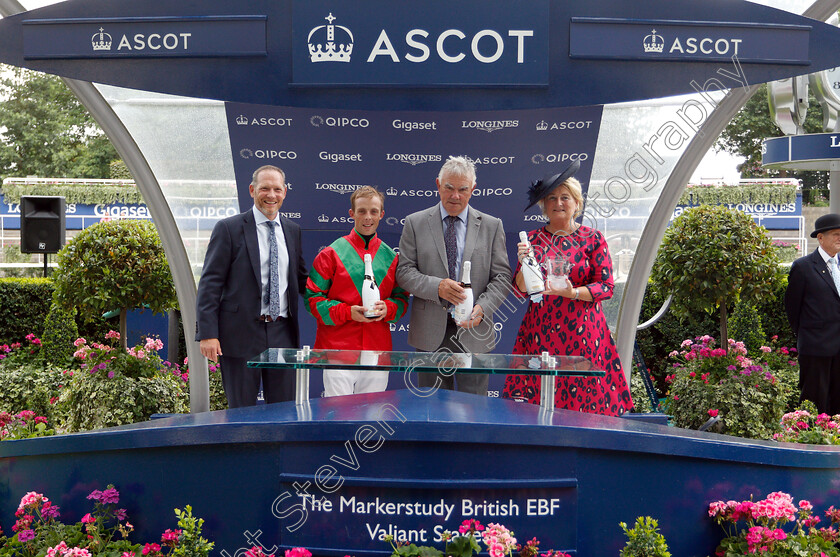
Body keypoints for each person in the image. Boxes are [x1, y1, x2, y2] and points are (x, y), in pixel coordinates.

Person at [501, 160, 633, 416]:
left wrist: (572, 293)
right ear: (544, 206)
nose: (558, 203)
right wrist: (524, 262)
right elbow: (519, 290)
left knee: (586, 401)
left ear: (576, 203)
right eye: (551, 198)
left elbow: (605, 287)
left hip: (584, 333)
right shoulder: (532, 240)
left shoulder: (593, 238)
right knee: (539, 401)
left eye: (564, 197)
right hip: (542, 332)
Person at [396, 156, 512, 395]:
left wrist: (483, 308)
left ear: (473, 190)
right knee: (430, 409)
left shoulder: (492, 226)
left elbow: (501, 277)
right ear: (438, 184)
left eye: (463, 189)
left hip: (475, 331)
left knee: (474, 409)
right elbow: (404, 272)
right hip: (429, 335)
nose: (455, 195)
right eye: (449, 187)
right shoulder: (415, 223)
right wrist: (437, 286)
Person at [195, 165, 308, 408]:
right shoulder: (228, 229)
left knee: (283, 409)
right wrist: (208, 334)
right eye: (264, 188)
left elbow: (302, 280)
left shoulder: (292, 231)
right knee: (241, 411)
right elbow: (210, 284)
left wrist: (339, 297)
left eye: (277, 189)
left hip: (282, 333)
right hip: (240, 335)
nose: (271, 195)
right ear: (252, 190)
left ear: (285, 192)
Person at [305, 186, 408, 396]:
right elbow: (312, 300)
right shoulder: (330, 254)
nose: (367, 217)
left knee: (371, 414)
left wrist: (387, 309)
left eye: (373, 211)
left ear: (382, 214)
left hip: (377, 348)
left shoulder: (392, 257)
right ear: (352, 213)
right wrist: (346, 312)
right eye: (361, 211)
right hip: (337, 348)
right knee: (338, 415)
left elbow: (402, 300)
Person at [784, 213, 840, 415]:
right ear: (820, 238)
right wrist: (808, 336)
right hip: (815, 348)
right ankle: (810, 440)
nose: (839, 238)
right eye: (835, 234)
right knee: (814, 402)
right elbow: (792, 308)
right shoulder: (803, 267)